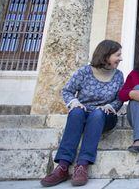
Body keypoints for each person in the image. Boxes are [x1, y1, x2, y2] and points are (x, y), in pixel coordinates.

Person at [40, 40, 124, 187]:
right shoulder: (84, 71)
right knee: (76, 112)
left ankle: (82, 165)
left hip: (105, 117)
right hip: (84, 114)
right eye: (117, 55)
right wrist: (74, 102)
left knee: (97, 114)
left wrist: (110, 106)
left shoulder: (118, 75)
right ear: (106, 55)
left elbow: (120, 99)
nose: (120, 58)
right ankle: (63, 166)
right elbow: (67, 91)